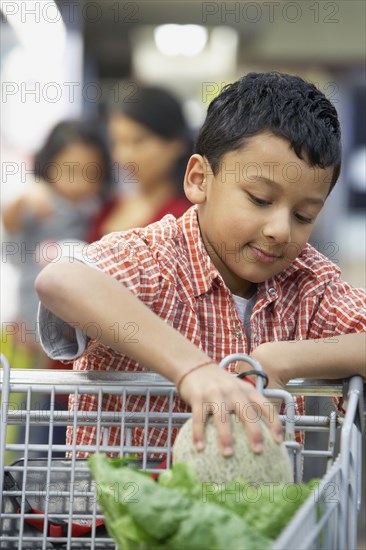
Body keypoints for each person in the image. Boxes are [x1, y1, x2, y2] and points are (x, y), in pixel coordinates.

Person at [35, 72, 365, 459]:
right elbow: (62, 279)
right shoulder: (157, 258)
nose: (280, 230)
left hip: (249, 516)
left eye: (304, 215)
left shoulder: (308, 283)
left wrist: (283, 358)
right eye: (259, 199)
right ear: (198, 180)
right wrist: (193, 370)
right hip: (112, 513)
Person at [2, 119, 111, 355]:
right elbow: (9, 220)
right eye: (71, 171)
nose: (80, 183)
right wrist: (25, 198)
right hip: (32, 313)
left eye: (91, 173)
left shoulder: (96, 207)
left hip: (73, 318)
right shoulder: (41, 199)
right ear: (49, 165)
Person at [87, 85, 191, 242]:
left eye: (137, 141)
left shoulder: (186, 218)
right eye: (117, 142)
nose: (122, 155)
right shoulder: (108, 206)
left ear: (176, 144)